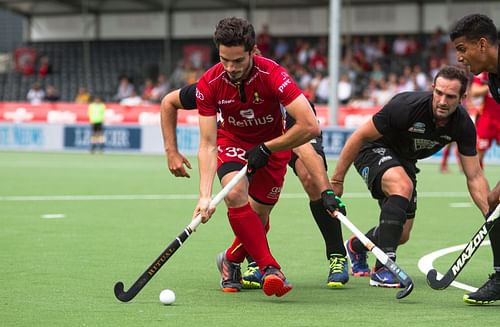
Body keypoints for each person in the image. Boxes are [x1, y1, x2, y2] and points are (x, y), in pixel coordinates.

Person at [161, 83, 349, 289]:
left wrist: (327, 191)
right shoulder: (219, 83)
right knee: (248, 204)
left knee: (309, 181)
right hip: (242, 141)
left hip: (282, 139)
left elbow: (304, 149)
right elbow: (169, 101)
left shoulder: (282, 92)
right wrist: (172, 152)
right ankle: (256, 263)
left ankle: (337, 255)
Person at [193, 17, 325, 298]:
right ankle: (270, 267)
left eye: (237, 61)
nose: (230, 68)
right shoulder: (210, 83)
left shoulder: (273, 75)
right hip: (233, 142)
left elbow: (310, 126)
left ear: (253, 51)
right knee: (234, 194)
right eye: (224, 60)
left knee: (258, 217)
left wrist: (268, 148)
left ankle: (230, 260)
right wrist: (204, 195)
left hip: (273, 147)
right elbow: (207, 144)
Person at [330, 66, 490, 289]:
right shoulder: (406, 106)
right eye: (439, 93)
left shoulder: (462, 124)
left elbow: (474, 175)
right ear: (433, 89)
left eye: (450, 96)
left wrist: (489, 213)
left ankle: (356, 247)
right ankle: (384, 268)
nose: (443, 101)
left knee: (401, 234)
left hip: (405, 160)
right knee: (402, 185)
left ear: (463, 98)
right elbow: (359, 137)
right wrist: (337, 181)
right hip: (372, 148)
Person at [450, 13, 500, 304]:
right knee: (494, 203)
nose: (459, 58)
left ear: (482, 44)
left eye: (461, 48)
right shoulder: (493, 79)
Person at [468, 72, 500, 168]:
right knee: (478, 156)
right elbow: (474, 91)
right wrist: (491, 86)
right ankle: (479, 181)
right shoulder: (485, 73)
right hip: (488, 118)